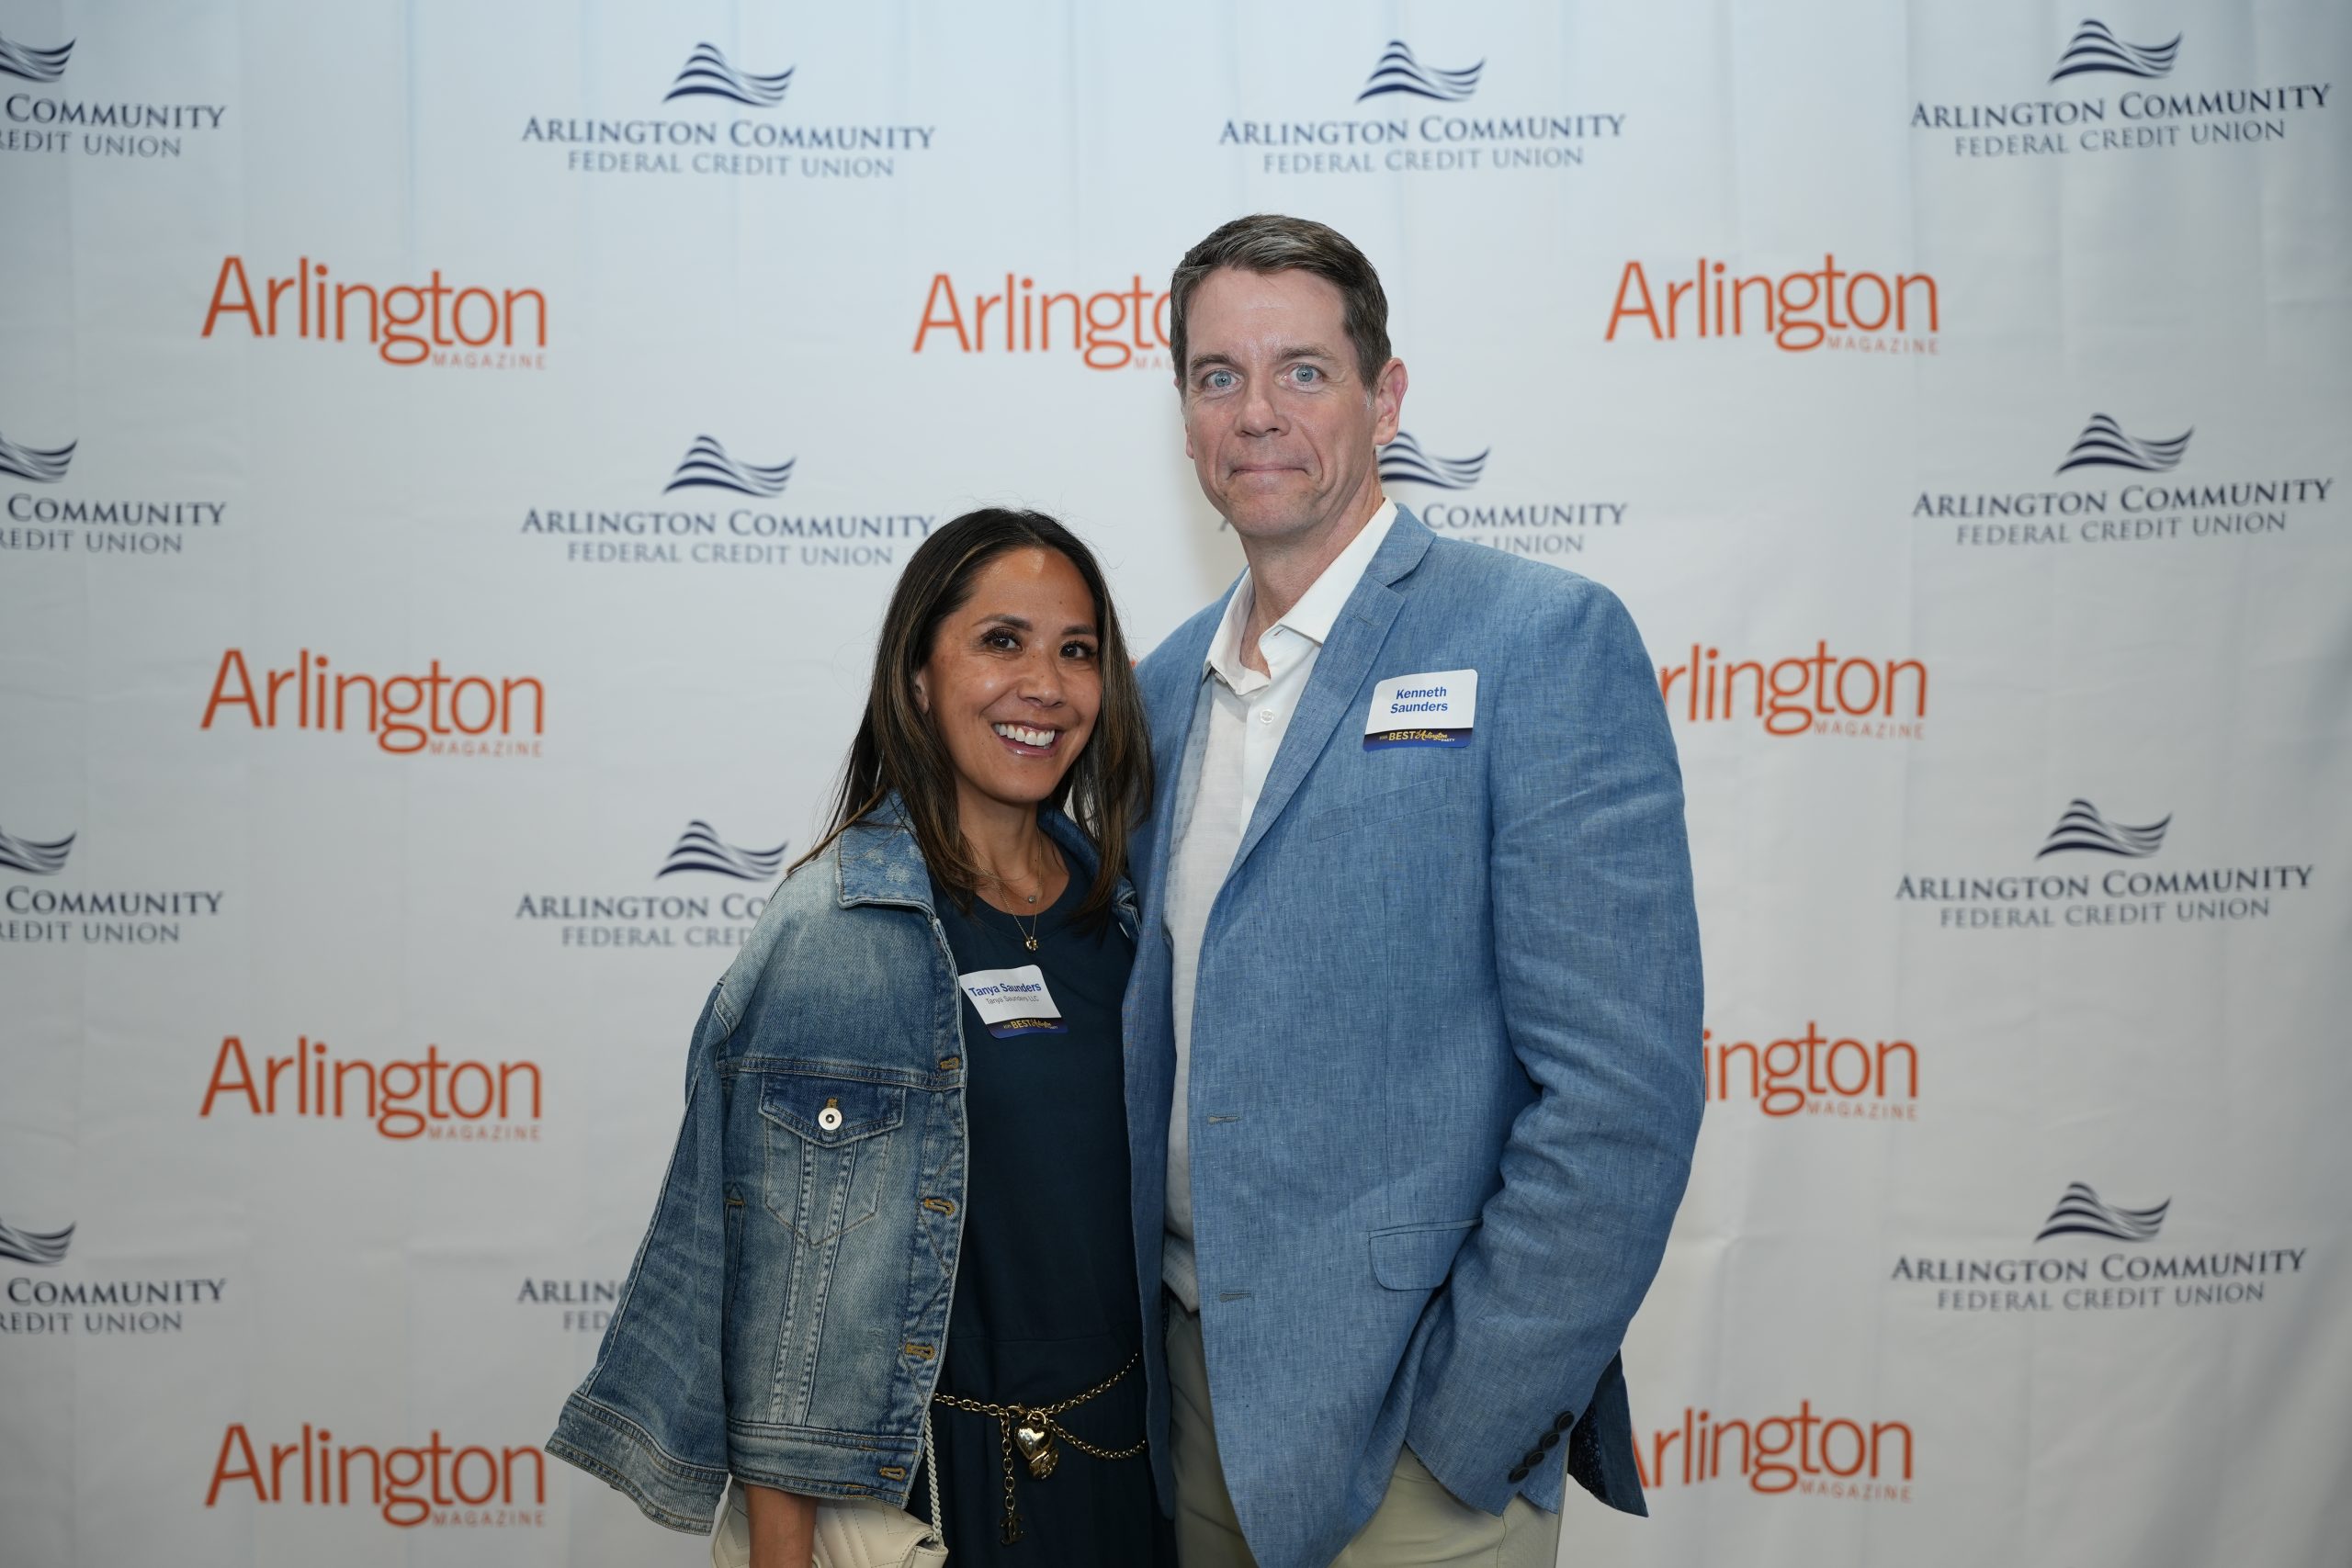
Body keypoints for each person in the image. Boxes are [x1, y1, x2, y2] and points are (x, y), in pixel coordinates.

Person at [1123, 215, 1704, 1568]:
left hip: (1417, 1437)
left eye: (1302, 371)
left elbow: (1621, 1096)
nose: (1256, 413)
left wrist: (1470, 1419)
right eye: (1216, 377)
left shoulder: (1539, 641)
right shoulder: (1157, 689)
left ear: (1385, 398)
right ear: (1186, 418)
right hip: (1191, 1408)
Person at [548, 509, 1170, 1567]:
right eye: (1002, 641)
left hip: (1128, 1476)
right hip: (933, 1498)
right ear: (918, 676)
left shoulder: (1119, 908)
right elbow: (787, 1305)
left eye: (1077, 651)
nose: (1046, 685)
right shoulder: (841, 931)